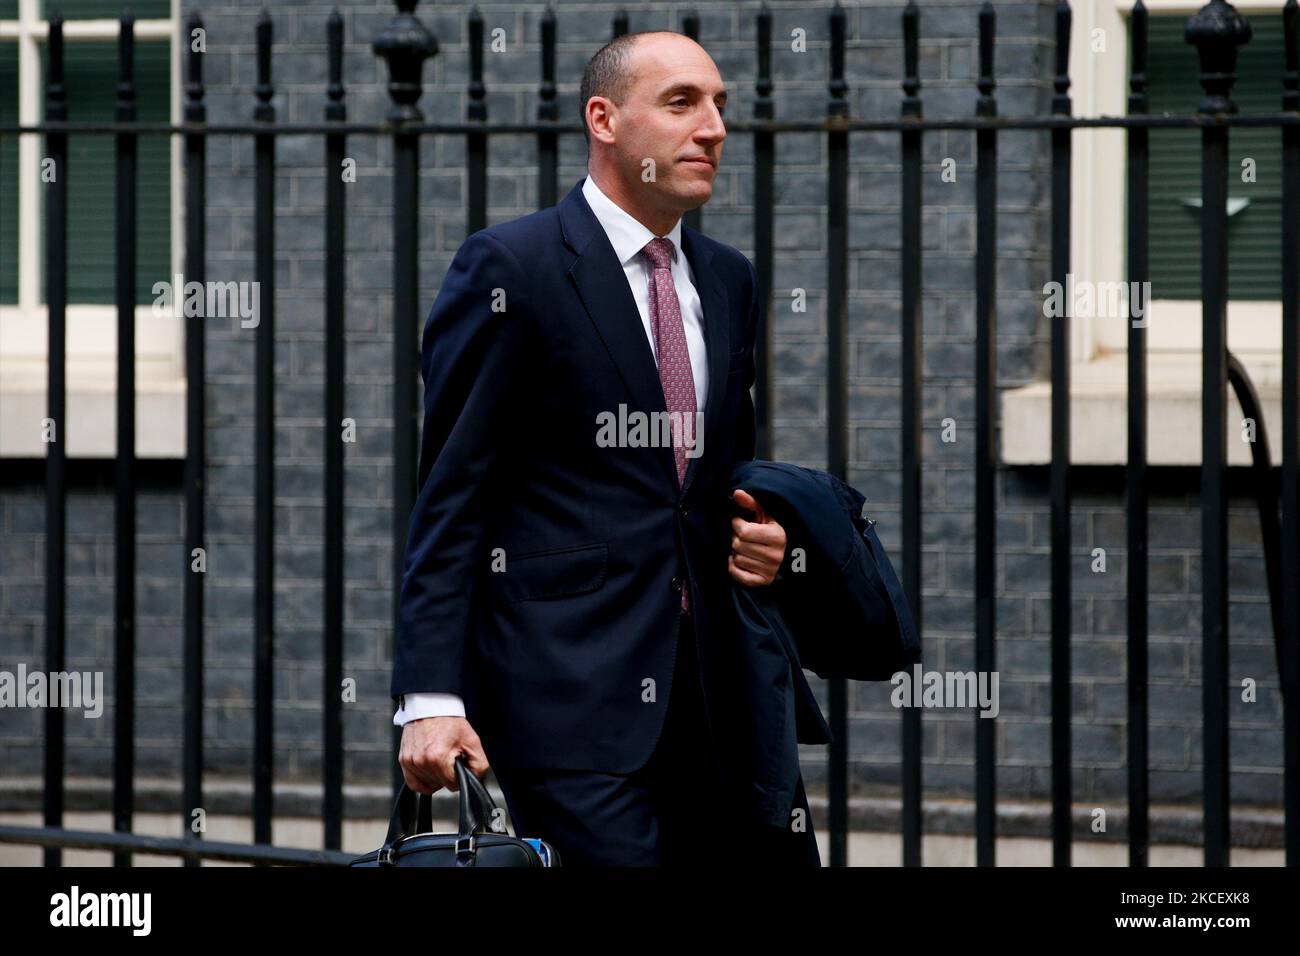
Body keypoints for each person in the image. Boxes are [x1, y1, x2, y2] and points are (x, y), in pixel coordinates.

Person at [392, 30, 818, 866]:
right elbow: (451, 495)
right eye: (682, 103)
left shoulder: (728, 278)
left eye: (720, 106)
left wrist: (764, 535)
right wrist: (429, 697)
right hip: (569, 704)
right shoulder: (512, 268)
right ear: (605, 119)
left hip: (723, 699)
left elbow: (717, 480)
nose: (714, 129)